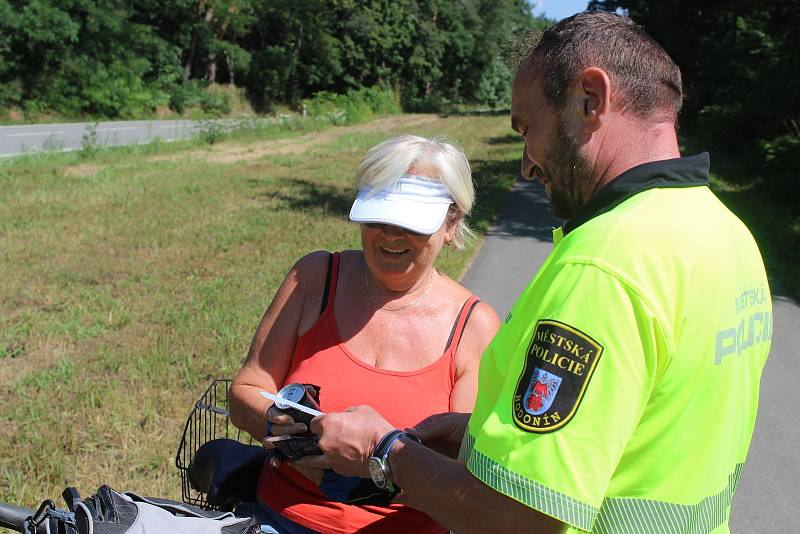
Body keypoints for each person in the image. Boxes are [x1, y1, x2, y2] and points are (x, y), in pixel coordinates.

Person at [301, 11, 773, 534]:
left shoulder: (604, 264)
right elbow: (645, 427)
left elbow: (516, 517)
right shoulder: (729, 235)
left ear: (590, 100)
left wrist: (383, 449)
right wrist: (482, 440)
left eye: (528, 128)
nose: (526, 163)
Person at [228, 134, 500, 533]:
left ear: (451, 221)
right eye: (377, 219)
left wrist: (375, 462)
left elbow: (463, 472)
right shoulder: (314, 279)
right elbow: (246, 391)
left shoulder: (473, 327)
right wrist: (284, 432)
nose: (390, 235)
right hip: (278, 519)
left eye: (410, 223)